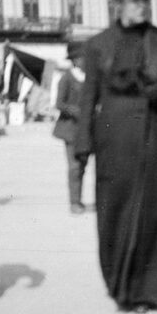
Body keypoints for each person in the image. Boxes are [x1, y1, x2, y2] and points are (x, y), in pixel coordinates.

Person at [74, 0, 157, 314]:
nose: (141, 6)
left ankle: (145, 290)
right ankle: (118, 283)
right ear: (117, 2)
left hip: (155, 136)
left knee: (151, 211)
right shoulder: (97, 46)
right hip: (112, 139)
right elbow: (88, 97)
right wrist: (82, 145)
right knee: (113, 212)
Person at [52, 40, 88, 214]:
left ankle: (79, 199)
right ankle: (74, 201)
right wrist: (74, 110)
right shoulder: (66, 78)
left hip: (87, 128)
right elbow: (58, 103)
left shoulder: (90, 77)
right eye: (82, 57)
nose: (85, 60)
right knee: (74, 166)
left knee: (83, 165)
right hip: (70, 129)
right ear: (74, 59)